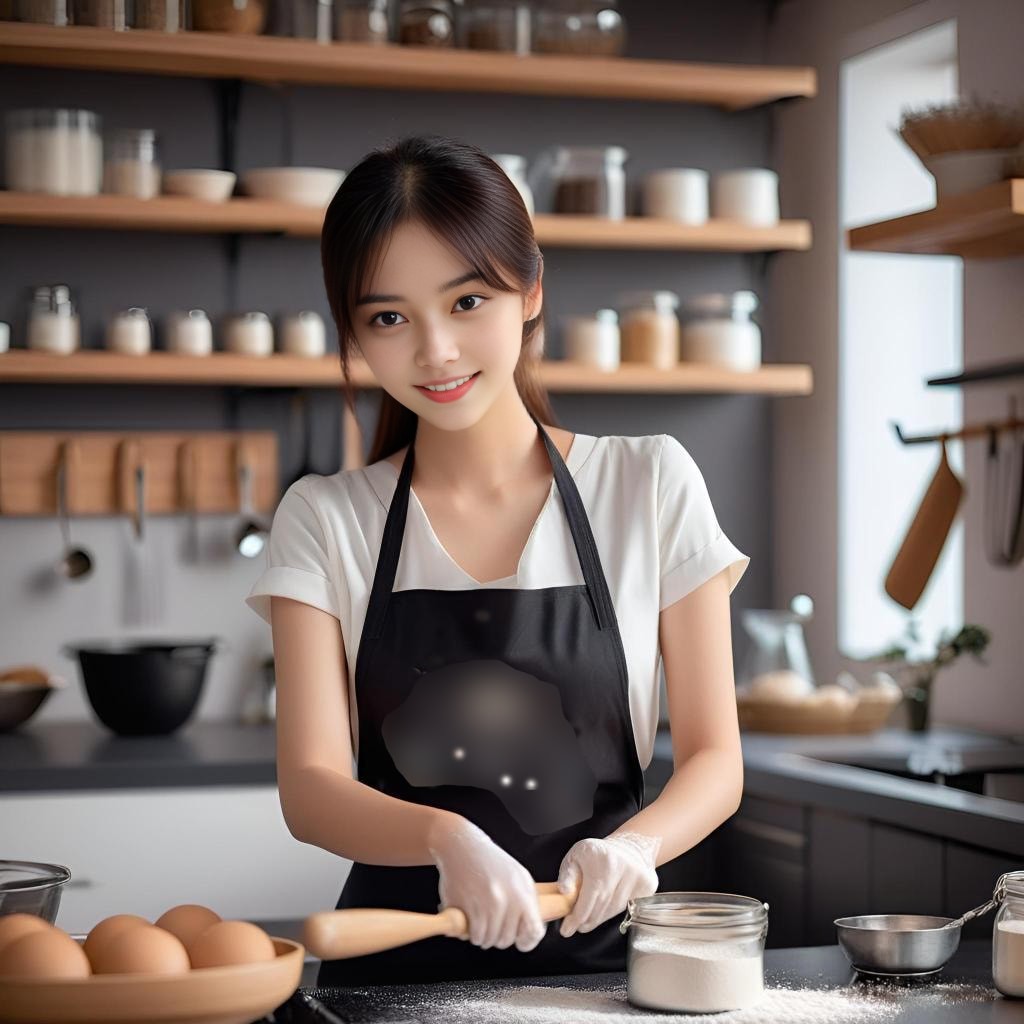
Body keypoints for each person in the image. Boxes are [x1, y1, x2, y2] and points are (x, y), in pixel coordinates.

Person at [245, 135, 749, 986]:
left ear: (531, 292)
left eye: (467, 300)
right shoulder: (326, 519)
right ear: (356, 334)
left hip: (602, 980)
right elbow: (310, 787)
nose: (435, 351)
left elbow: (714, 759)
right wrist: (444, 836)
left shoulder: (648, 482)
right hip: (392, 984)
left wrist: (635, 847)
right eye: (389, 318)